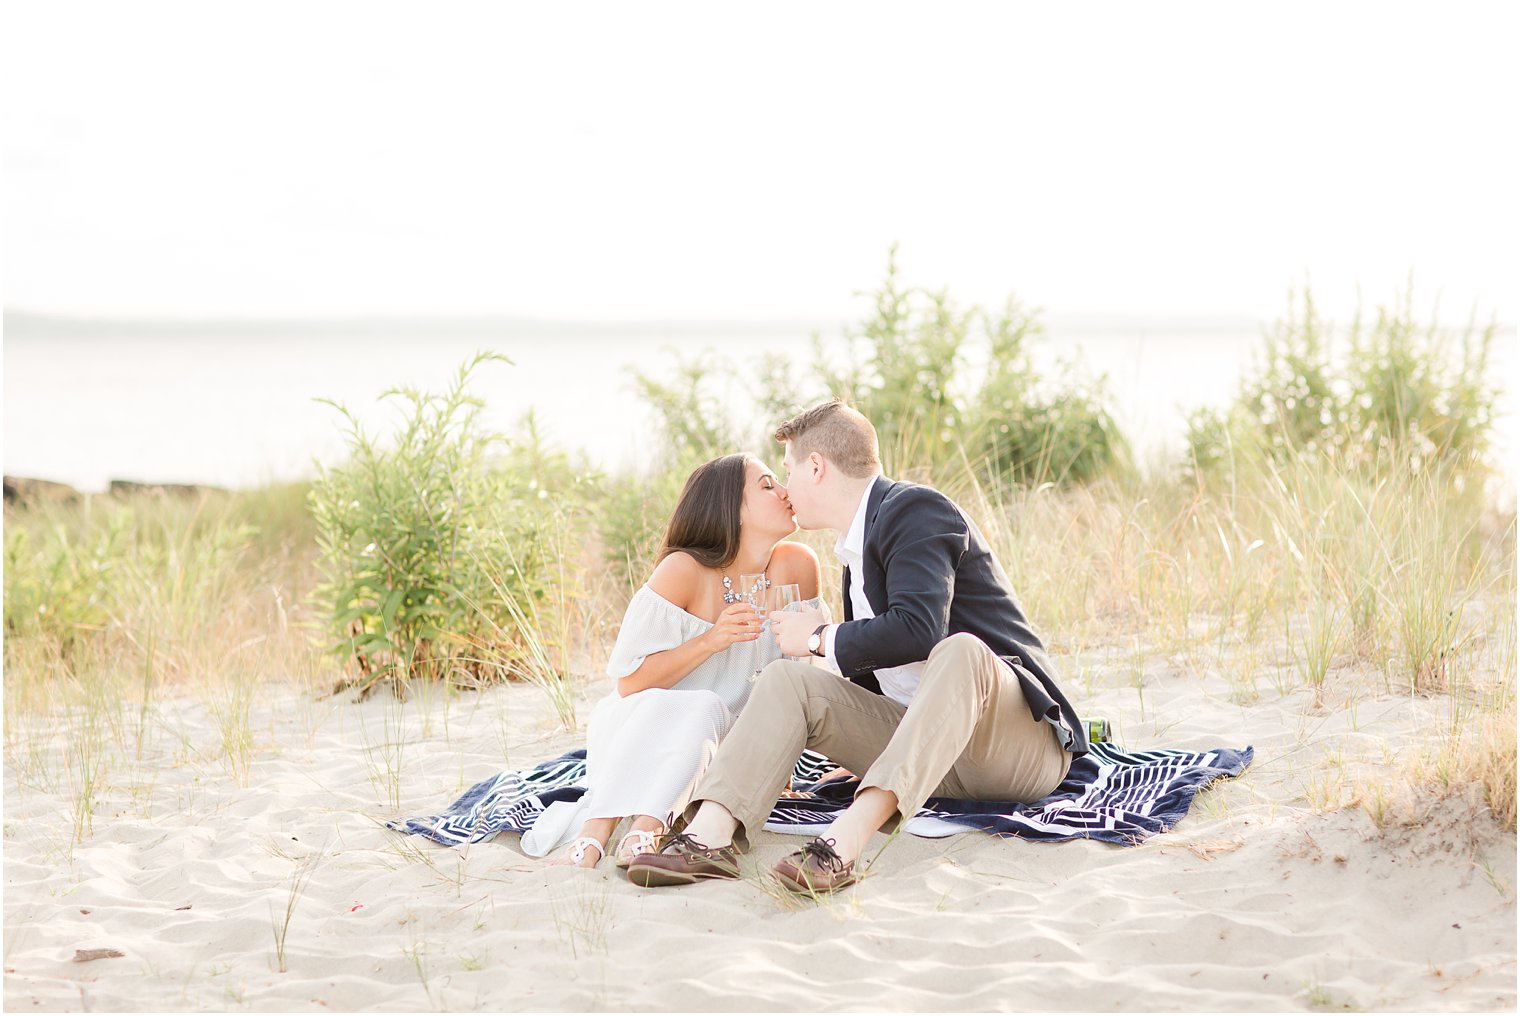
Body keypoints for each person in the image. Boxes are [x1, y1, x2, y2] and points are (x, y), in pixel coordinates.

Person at [626, 400, 1089, 893]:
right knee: (789, 681)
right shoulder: (853, 553)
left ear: (817, 467)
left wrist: (820, 637)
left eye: (788, 471)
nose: (785, 488)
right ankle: (708, 838)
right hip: (931, 758)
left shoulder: (916, 510)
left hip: (1017, 748)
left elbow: (920, 630)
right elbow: (879, 671)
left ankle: (842, 846)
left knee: (962, 651)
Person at [544, 452, 821, 868]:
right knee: (706, 705)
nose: (785, 491)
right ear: (731, 508)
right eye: (767, 485)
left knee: (713, 712)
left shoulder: (797, 566)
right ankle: (631, 830)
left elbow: (801, 677)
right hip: (647, 728)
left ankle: (622, 830)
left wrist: (779, 754)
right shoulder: (683, 570)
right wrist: (711, 641)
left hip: (724, 751)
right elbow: (630, 684)